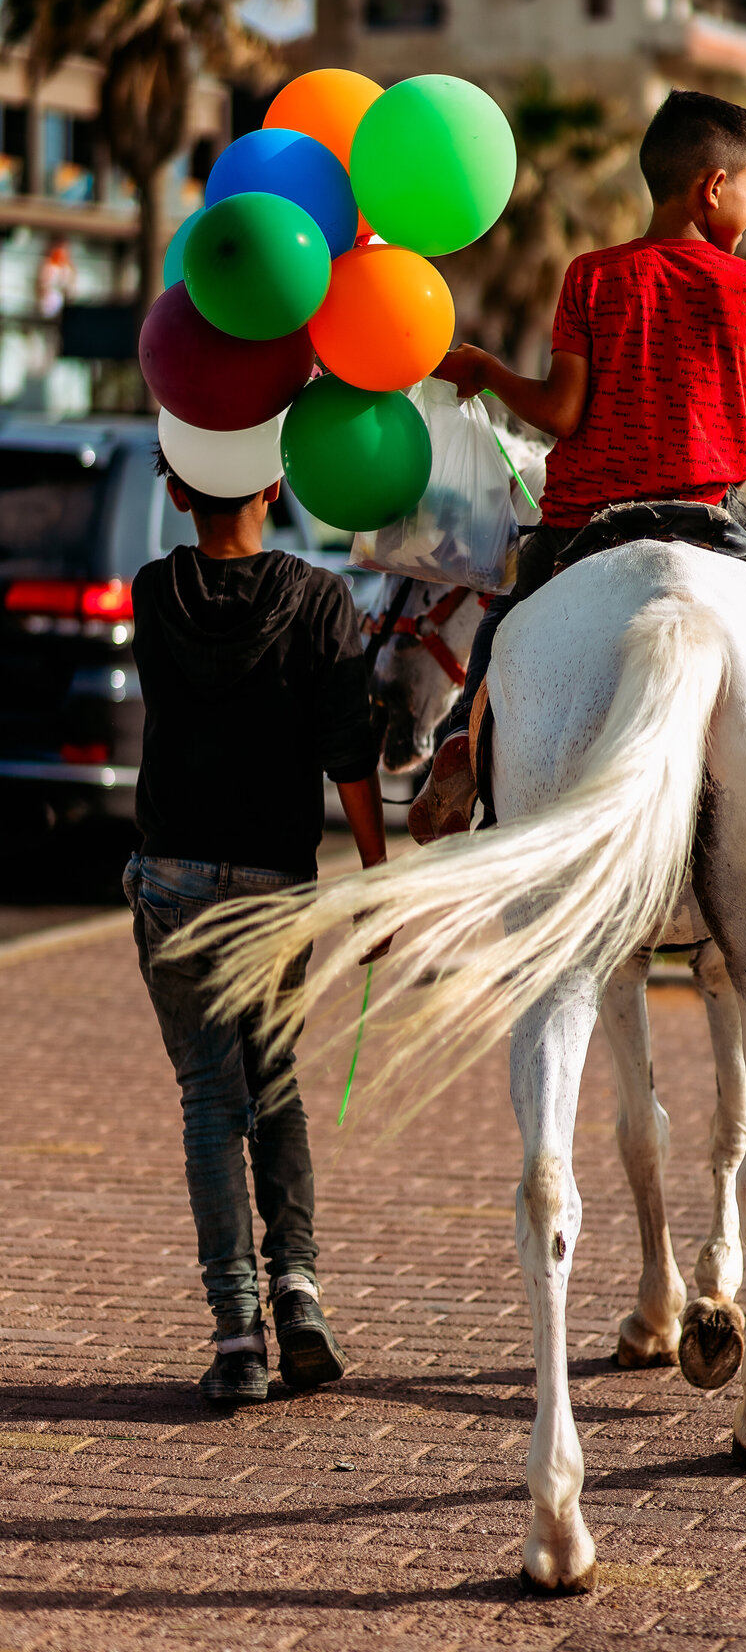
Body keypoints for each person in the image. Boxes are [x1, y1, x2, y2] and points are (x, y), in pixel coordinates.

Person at [408, 88, 746, 843]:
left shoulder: (591, 276)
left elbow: (561, 415)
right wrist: (724, 477)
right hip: (707, 513)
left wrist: (489, 372)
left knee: (506, 617)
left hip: (585, 520)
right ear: (714, 188)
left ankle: (457, 745)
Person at [125, 453, 388, 1406]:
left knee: (209, 1101)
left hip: (175, 881)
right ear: (277, 486)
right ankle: (301, 1298)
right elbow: (349, 750)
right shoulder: (323, 602)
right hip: (280, 882)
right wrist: (374, 874)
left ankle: (238, 1339)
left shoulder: (155, 594)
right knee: (275, 1089)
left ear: (177, 488)